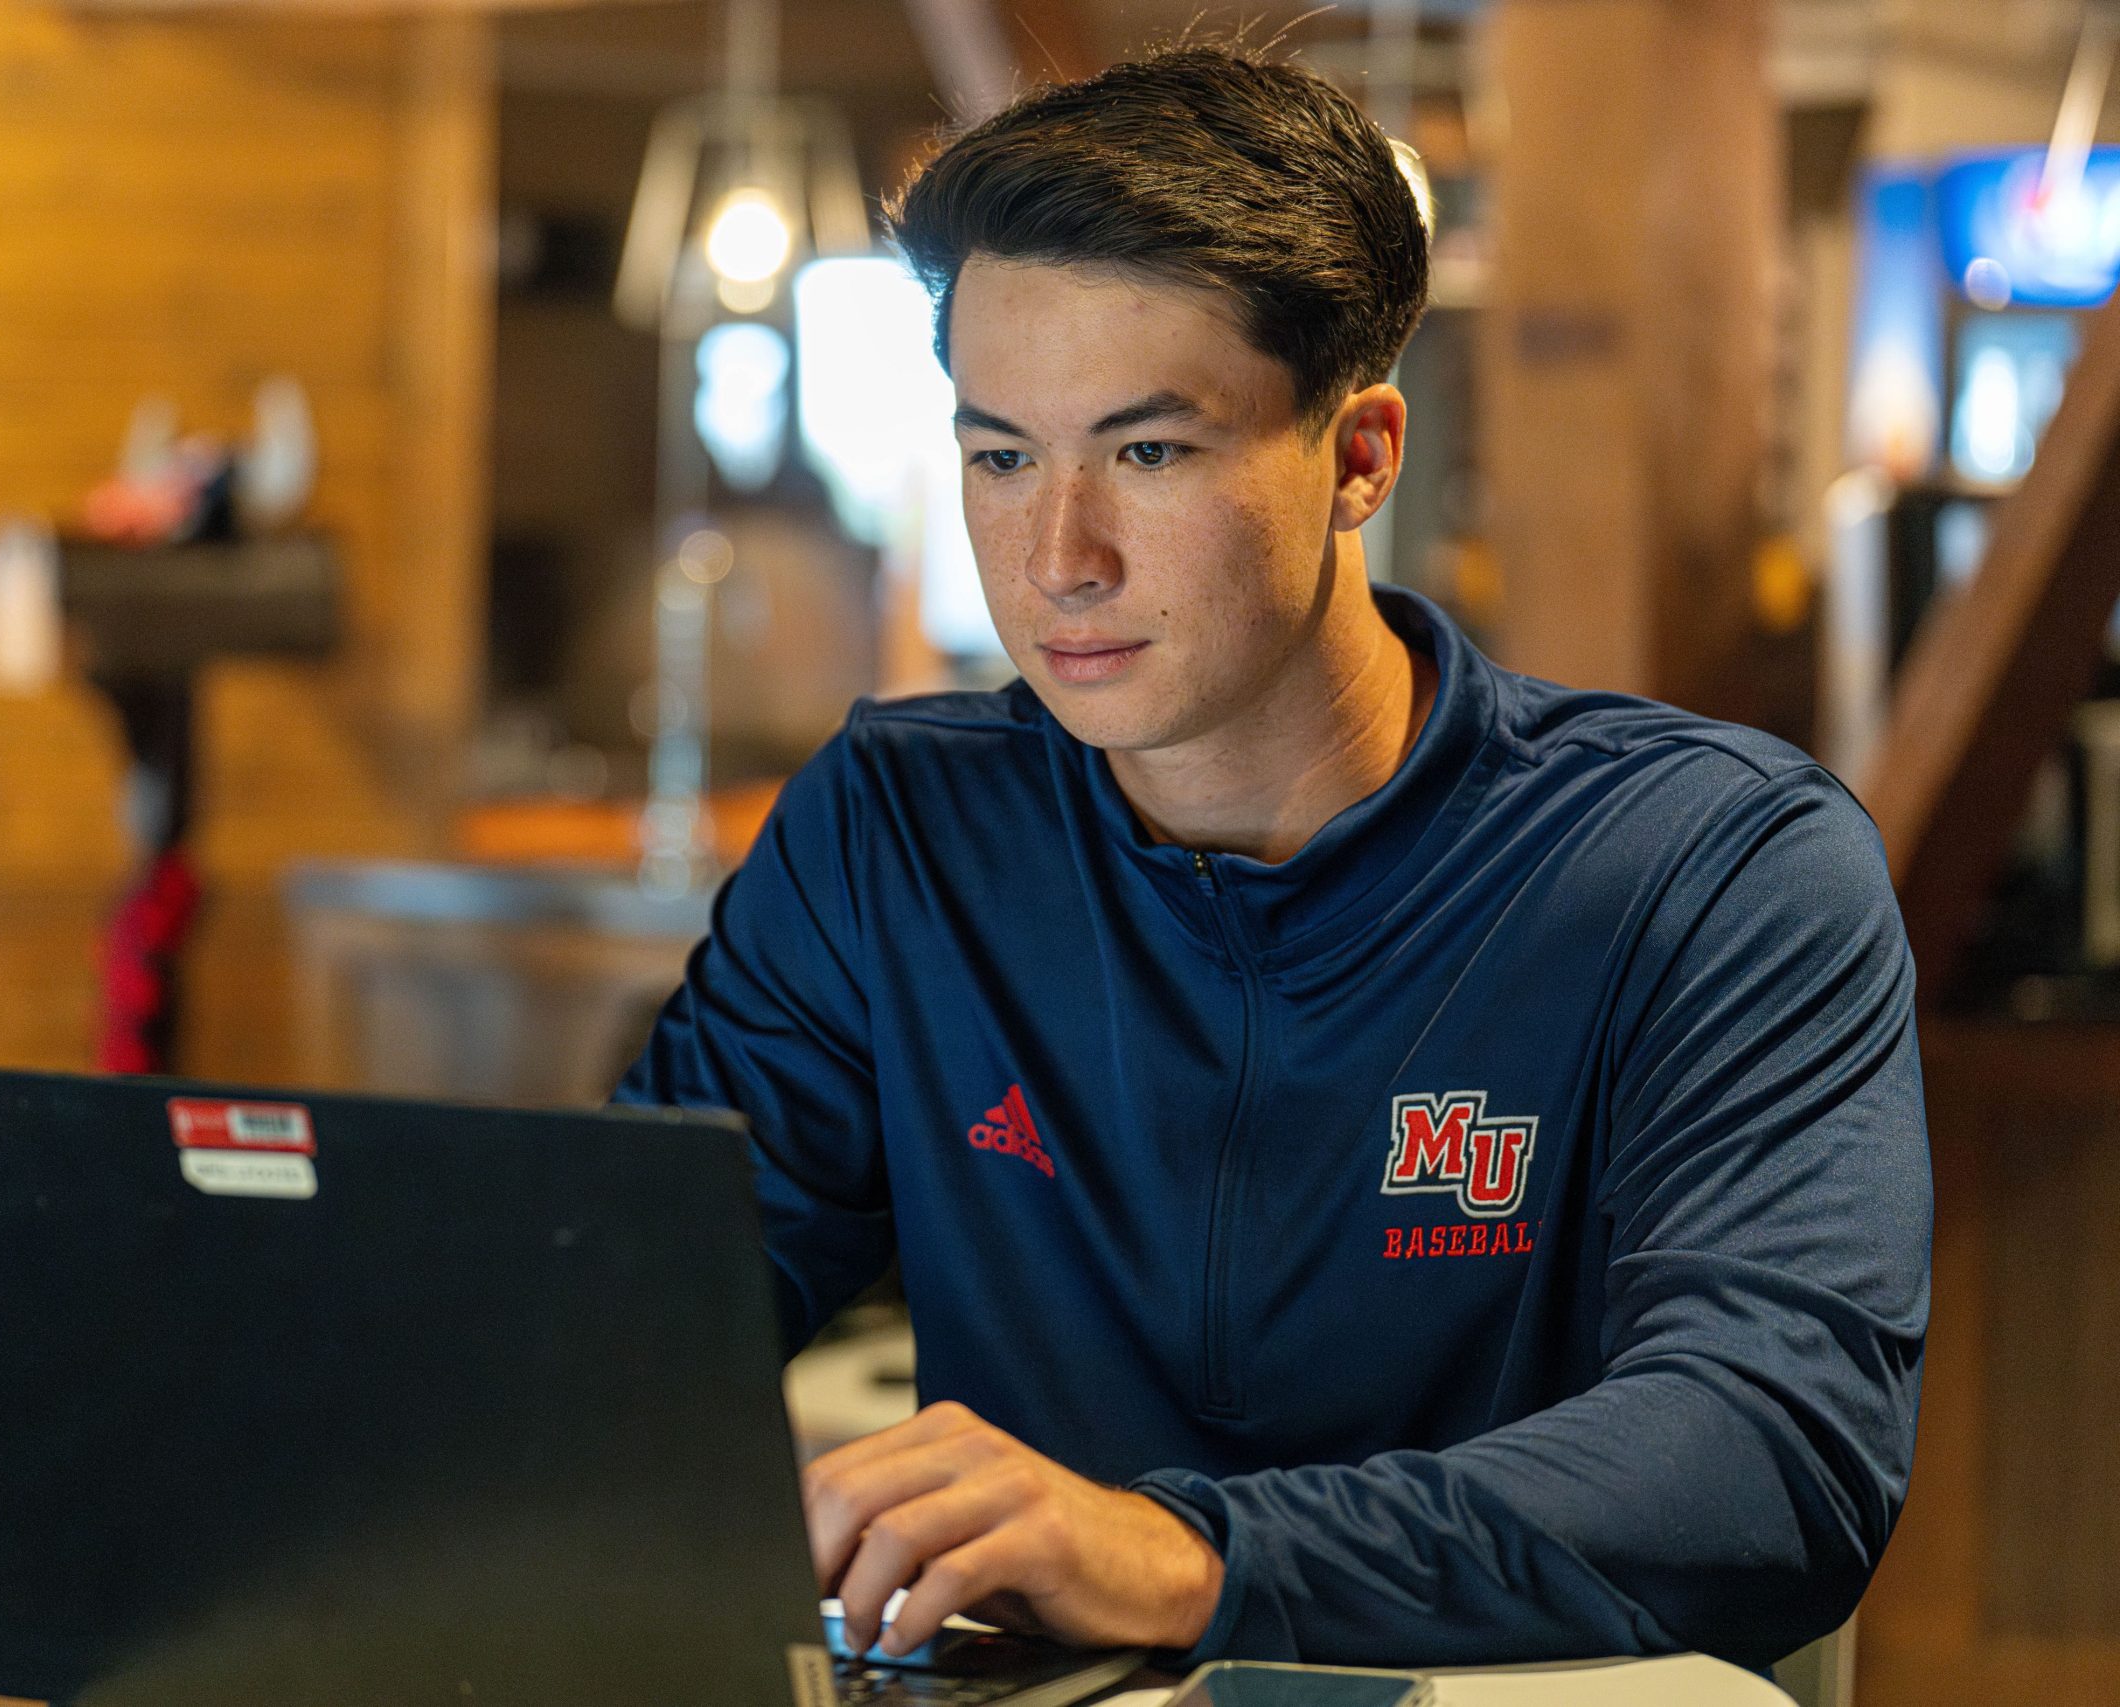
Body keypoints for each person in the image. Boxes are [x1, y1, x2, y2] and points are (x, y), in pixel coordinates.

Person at [615, 45, 1928, 1674]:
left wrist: (1183, 1555)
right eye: (1002, 455)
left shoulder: (1709, 864)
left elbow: (1767, 1460)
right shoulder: (904, 828)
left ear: (1360, 457)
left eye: (1150, 454)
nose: (1058, 559)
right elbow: (624, 1324)